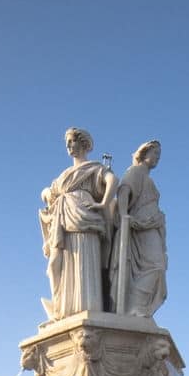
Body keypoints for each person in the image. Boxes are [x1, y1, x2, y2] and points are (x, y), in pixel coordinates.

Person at [39, 127, 115, 320]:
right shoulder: (64, 175)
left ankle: (85, 306)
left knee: (84, 261)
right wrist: (48, 193)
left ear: (83, 143)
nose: (69, 146)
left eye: (72, 141)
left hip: (85, 217)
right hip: (63, 219)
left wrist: (104, 202)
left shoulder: (94, 167)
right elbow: (46, 192)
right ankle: (61, 308)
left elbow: (113, 180)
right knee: (55, 265)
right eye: (67, 143)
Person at [115, 140, 167, 317]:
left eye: (159, 155)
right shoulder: (136, 172)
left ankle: (140, 306)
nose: (157, 158)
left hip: (152, 225)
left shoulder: (148, 178)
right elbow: (123, 191)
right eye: (155, 154)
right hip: (141, 227)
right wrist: (124, 216)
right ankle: (135, 306)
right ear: (144, 153)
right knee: (153, 265)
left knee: (157, 266)